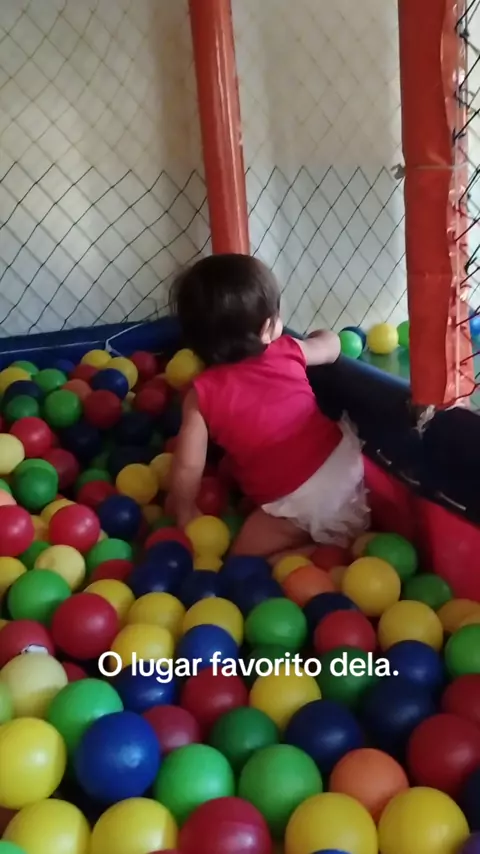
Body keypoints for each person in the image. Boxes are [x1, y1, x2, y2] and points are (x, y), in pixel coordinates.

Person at [168, 253, 369, 559]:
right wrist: (322, 335)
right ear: (267, 328)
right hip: (345, 470)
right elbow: (331, 348)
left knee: (244, 560)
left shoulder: (200, 395)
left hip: (295, 501)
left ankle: (320, 553)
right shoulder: (287, 350)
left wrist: (184, 510)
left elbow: (188, 465)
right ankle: (345, 539)